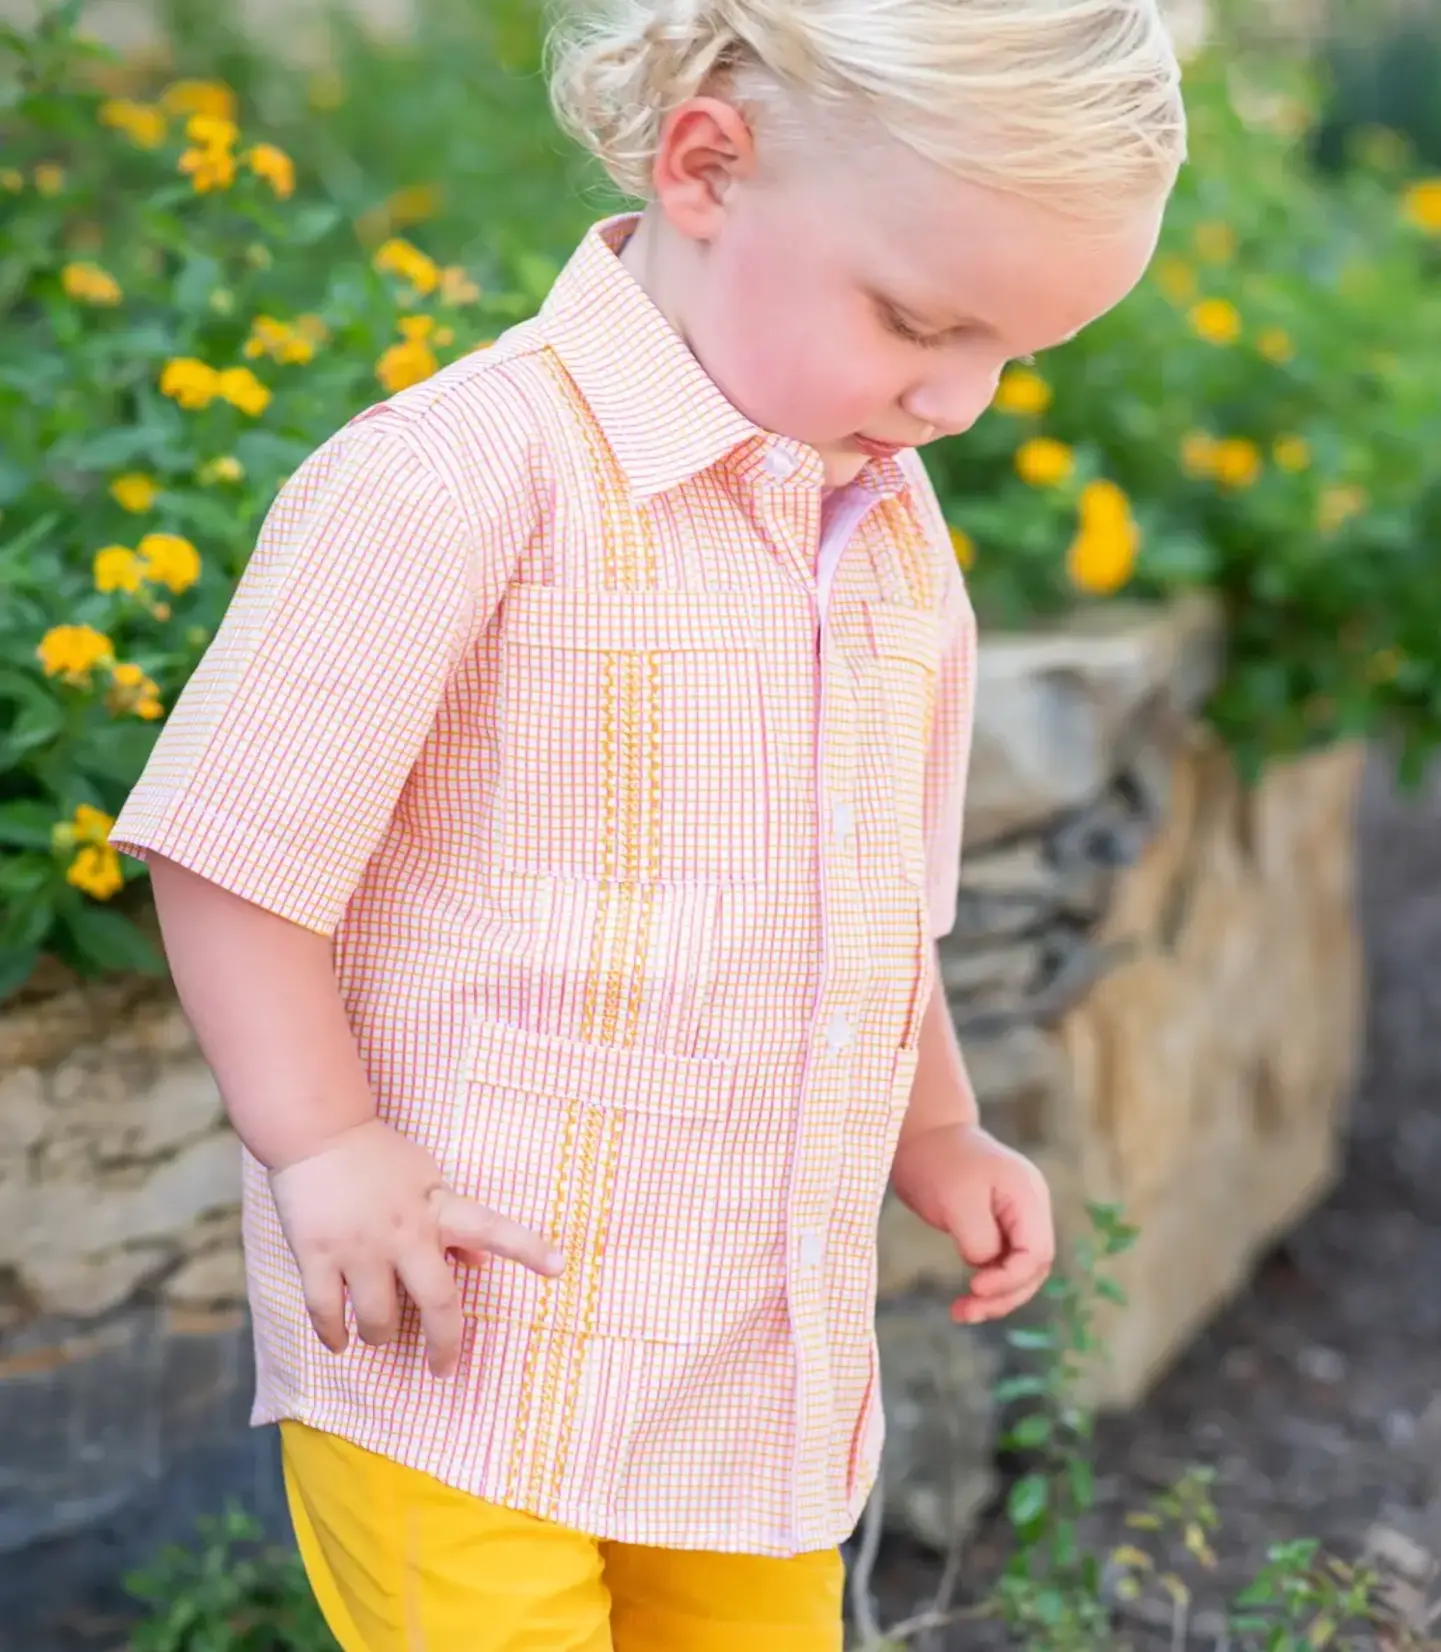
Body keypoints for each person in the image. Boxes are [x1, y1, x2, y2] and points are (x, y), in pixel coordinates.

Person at [110, 1, 1186, 1646]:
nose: (957, 400)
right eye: (918, 321)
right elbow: (231, 845)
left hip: (745, 1379)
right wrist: (325, 1145)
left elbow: (870, 909)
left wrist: (935, 1131)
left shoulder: (886, 543)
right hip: (466, 1352)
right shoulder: (456, 481)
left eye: (1013, 358)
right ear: (706, 165)